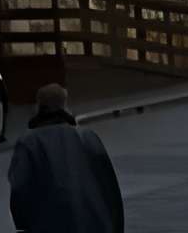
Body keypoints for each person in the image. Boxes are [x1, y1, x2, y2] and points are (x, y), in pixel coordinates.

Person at [8, 83, 124, 232]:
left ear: (38, 107)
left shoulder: (28, 142)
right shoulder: (87, 137)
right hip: (93, 223)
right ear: (64, 105)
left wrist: (23, 224)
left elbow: (20, 188)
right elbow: (109, 186)